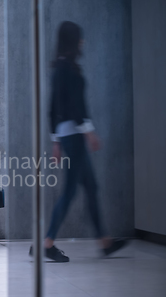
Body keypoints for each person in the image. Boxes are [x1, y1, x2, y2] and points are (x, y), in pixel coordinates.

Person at [30, 21, 127, 262]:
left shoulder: (58, 68)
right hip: (74, 135)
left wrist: (55, 140)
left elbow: (53, 109)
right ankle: (47, 241)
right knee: (72, 190)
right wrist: (89, 131)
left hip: (67, 135)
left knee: (90, 188)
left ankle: (104, 241)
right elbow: (75, 106)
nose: (83, 42)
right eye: (80, 38)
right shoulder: (69, 70)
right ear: (74, 41)